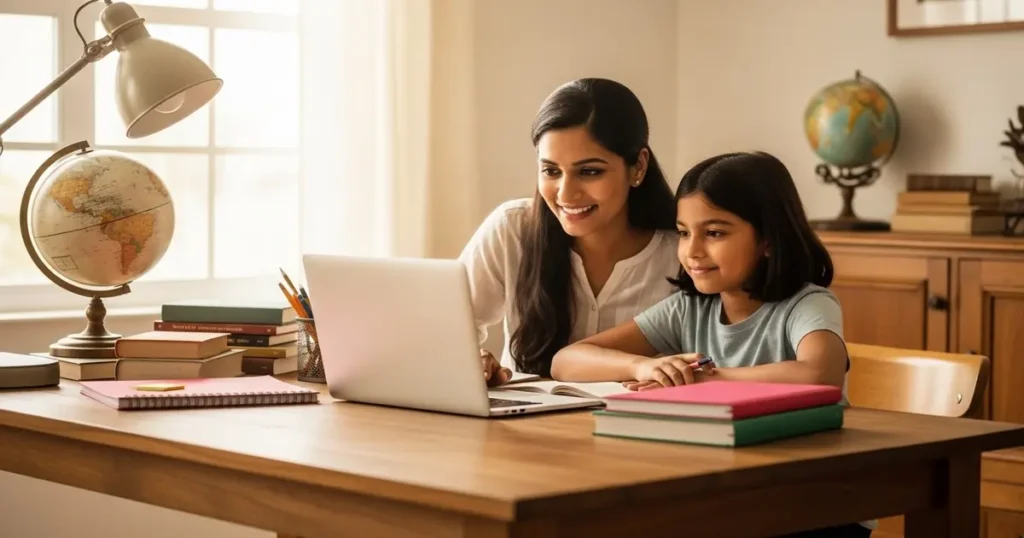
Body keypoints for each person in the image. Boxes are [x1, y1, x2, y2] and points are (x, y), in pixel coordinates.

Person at [550, 151, 868, 537]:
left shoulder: (807, 303)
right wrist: (642, 367)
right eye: (684, 232)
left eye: (714, 233)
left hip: (820, 501)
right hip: (734, 496)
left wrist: (705, 382)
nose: (692, 251)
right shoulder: (689, 308)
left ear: (768, 239)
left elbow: (821, 374)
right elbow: (566, 361)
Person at [458, 77, 680, 387]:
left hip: (640, 428)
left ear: (638, 167)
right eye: (551, 171)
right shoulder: (512, 228)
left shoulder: (683, 252)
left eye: (590, 171)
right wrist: (471, 361)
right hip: (524, 431)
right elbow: (444, 332)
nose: (566, 193)